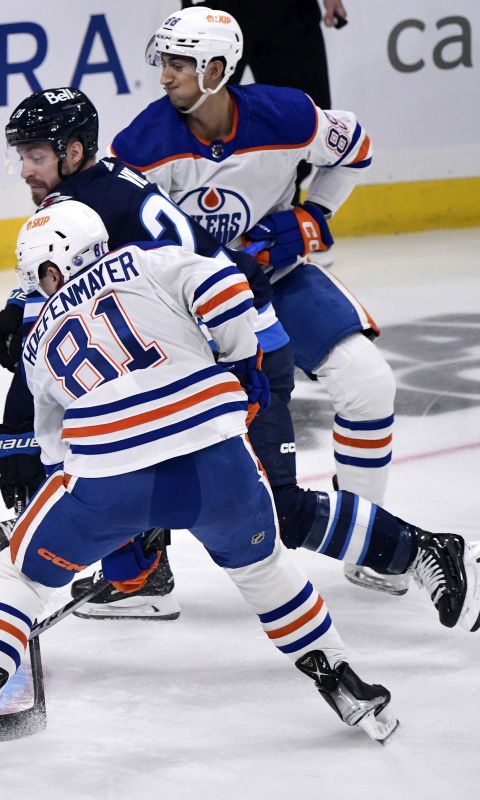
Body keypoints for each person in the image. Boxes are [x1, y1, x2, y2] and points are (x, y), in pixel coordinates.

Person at [0, 199, 397, 773]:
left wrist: (114, 538)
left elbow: (56, 456)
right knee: (263, 568)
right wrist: (244, 366)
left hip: (108, 477)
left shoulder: (38, 339)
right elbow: (226, 286)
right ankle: (343, 681)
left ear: (44, 270)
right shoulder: (146, 259)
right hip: (217, 459)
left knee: (17, 572)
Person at [0, 86, 479, 631]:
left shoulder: (81, 211)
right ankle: (143, 573)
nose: (26, 170)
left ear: (73, 153)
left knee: (276, 507)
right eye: (21, 156)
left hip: (244, 345)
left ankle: (427, 551)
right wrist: (22, 302)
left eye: (36, 156)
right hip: (229, 339)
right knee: (130, 448)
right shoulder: (100, 192)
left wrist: (18, 433)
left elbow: (58, 337)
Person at [113, 7, 428, 597]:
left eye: (180, 64)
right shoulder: (142, 145)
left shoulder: (287, 113)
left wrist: (312, 218)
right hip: (190, 308)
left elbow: (356, 147)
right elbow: (125, 242)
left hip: (276, 280)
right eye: (166, 62)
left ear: (216, 69)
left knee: (368, 383)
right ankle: (141, 573)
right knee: (154, 418)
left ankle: (370, 543)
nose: (165, 76)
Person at [182, 0, 349, 203]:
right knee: (199, 110)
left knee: (303, 117)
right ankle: (194, 211)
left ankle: (283, 219)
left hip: (287, 11)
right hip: (219, 8)